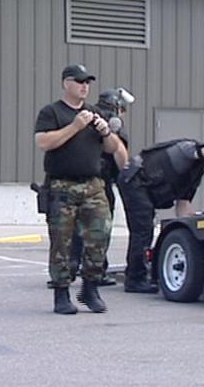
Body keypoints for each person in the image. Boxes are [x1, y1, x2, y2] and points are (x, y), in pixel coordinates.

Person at [34, 64, 125, 314]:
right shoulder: (52, 112)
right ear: (66, 84)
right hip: (62, 184)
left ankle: (90, 287)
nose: (85, 86)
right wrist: (75, 126)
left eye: (88, 82)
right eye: (79, 81)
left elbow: (112, 147)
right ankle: (61, 294)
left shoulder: (95, 112)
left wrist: (105, 131)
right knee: (61, 242)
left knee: (100, 236)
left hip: (93, 185)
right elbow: (43, 142)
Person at [117, 129, 204, 293]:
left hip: (144, 188)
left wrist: (192, 229)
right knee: (143, 229)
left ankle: (137, 274)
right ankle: (135, 279)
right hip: (134, 180)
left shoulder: (193, 177)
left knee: (145, 228)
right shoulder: (188, 149)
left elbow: (182, 207)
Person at [66, 89, 131, 287]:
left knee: (75, 227)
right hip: (101, 183)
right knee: (100, 229)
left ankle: (70, 267)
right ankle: (98, 270)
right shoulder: (112, 123)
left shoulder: (86, 115)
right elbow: (119, 151)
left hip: (76, 179)